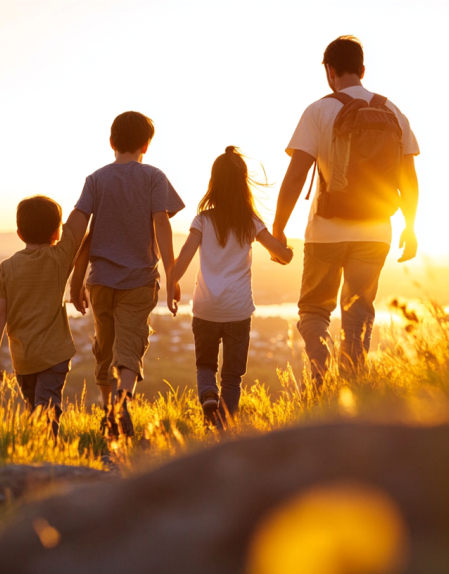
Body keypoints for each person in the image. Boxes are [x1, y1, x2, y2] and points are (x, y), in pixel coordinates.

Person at [271, 35, 421, 384]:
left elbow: (295, 177)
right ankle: (350, 388)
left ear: (329, 71)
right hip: (377, 231)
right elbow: (409, 180)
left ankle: (321, 373)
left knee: (313, 310)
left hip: (326, 231)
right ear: (363, 70)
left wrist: (278, 229)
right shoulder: (393, 112)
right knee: (357, 314)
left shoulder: (319, 110)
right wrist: (411, 228)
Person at [69, 111, 185, 438]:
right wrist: (172, 274)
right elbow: (162, 223)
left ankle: (109, 413)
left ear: (111, 143)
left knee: (103, 349)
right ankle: (123, 401)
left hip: (100, 281)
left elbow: (82, 230)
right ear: (146, 145)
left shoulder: (96, 180)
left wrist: (73, 280)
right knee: (130, 345)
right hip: (139, 280)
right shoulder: (153, 177)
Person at [171, 147, 293, 428]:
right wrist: (286, 252)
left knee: (205, 365)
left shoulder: (202, 220)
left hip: (205, 309)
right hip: (238, 311)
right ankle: (225, 426)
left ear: (214, 183)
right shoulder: (250, 221)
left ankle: (207, 396)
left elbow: (182, 261)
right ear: (243, 184)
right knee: (232, 376)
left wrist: (171, 287)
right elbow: (282, 256)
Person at [0, 195, 89, 438]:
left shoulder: (6, 267)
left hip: (23, 357)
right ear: (56, 233)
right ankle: (48, 457)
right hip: (55, 354)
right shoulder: (59, 257)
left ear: (19, 233)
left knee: (36, 410)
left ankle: (43, 455)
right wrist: (91, 194)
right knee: (46, 409)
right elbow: (80, 221)